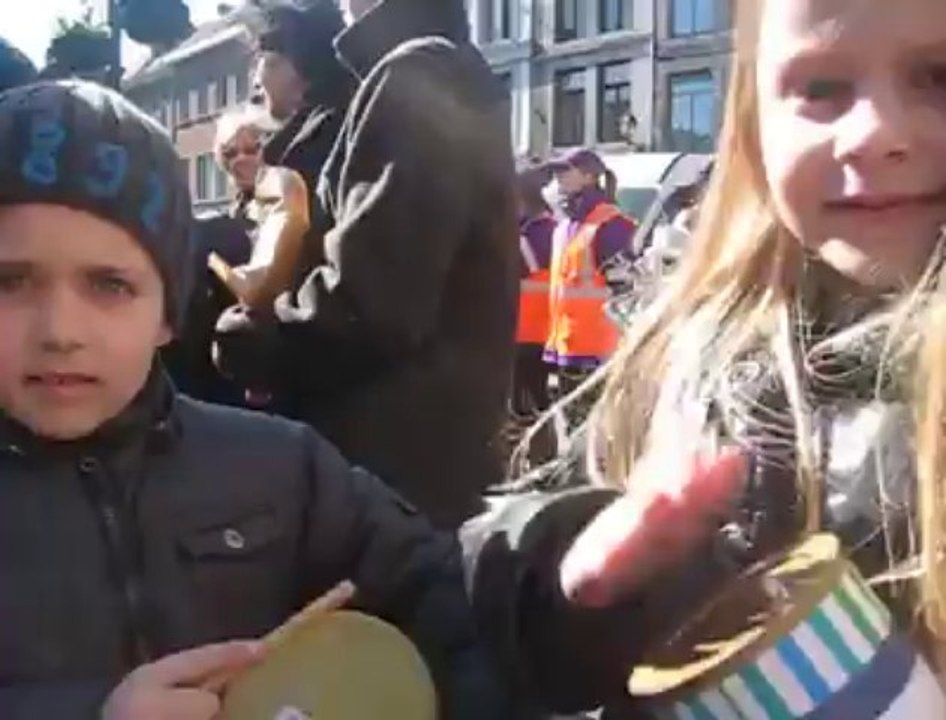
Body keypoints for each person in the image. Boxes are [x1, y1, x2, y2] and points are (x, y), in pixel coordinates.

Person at [461, 0, 946, 716]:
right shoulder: (691, 353)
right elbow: (475, 578)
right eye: (819, 89)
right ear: (752, 120)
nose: (875, 135)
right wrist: (578, 574)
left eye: (939, 75)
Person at [0, 80, 510, 719]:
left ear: (167, 312)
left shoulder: (281, 468)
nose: (59, 332)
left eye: (109, 285)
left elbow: (453, 604)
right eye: (10, 282)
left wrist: (552, 563)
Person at [216, 0, 519, 529]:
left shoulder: (414, 73)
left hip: (392, 461)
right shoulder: (438, 66)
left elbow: (376, 301)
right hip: (427, 453)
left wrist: (259, 339)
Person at [543, 149, 637, 401]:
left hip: (599, 351)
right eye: (556, 172)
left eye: (565, 170)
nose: (558, 177)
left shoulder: (610, 223)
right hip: (566, 346)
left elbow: (626, 290)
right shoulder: (564, 225)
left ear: (589, 176)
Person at [246, 0, 353, 207]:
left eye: (267, 61)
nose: (257, 80)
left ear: (301, 68)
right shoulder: (349, 124)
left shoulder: (306, 155)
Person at [508, 158, 556, 468]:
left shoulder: (525, 235)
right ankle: (543, 456)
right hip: (548, 327)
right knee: (539, 398)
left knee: (523, 404)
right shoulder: (557, 226)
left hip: (524, 328)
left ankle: (533, 460)